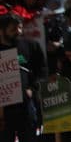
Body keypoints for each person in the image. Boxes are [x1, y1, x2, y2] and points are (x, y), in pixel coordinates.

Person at [0, 14, 45, 142]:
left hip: (26, 107)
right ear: (1, 31)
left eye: (20, 28)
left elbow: (42, 70)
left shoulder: (30, 46)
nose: (18, 32)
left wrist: (33, 88)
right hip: (4, 112)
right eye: (13, 29)